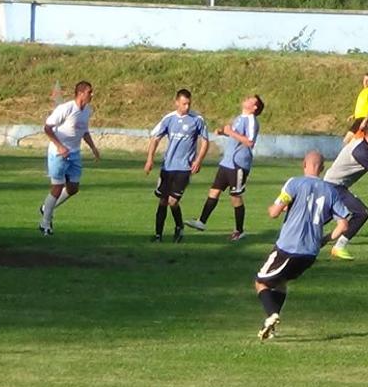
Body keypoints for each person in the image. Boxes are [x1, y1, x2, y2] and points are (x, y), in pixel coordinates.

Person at [255, 150, 350, 341]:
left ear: (304, 164)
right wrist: (324, 240)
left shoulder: (294, 183)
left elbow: (274, 212)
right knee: (281, 283)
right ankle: (271, 326)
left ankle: (272, 314)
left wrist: (273, 208)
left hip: (288, 247)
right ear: (322, 168)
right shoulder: (331, 191)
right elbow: (344, 224)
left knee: (260, 282)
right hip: (310, 252)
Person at [185, 95, 264, 241]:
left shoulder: (252, 121)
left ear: (254, 107)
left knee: (235, 197)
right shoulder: (239, 118)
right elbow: (236, 136)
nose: (247, 98)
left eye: (251, 99)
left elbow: (249, 142)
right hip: (227, 162)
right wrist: (223, 132)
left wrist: (230, 132)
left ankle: (239, 231)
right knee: (214, 191)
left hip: (238, 164)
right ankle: (201, 222)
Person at [323, 121, 368, 260]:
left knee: (322, 218)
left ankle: (315, 242)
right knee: (361, 212)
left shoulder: (363, 147)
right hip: (334, 186)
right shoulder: (361, 152)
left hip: (334, 185)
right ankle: (338, 247)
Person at [144, 88, 209, 243]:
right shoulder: (169, 119)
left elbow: (205, 141)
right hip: (167, 167)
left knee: (172, 201)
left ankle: (179, 227)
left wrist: (198, 160)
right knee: (162, 200)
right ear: (177, 103)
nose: (187, 107)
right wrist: (150, 159)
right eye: (184, 104)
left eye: (189, 104)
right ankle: (158, 235)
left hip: (184, 168)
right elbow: (155, 138)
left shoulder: (197, 119)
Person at [38, 81, 101, 236]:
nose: (92, 95)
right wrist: (60, 146)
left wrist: (93, 148)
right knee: (57, 187)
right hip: (58, 153)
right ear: (80, 93)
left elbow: (84, 131)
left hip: (74, 153)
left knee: (73, 188)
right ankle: (45, 223)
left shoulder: (87, 110)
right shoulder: (66, 108)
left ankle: (46, 208)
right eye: (89, 92)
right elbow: (47, 128)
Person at [343, 73, 368, 144]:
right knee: (354, 141)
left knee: (346, 140)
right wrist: (353, 115)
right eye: (364, 80)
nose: (366, 82)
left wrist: (365, 121)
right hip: (359, 119)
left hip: (363, 119)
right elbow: (362, 107)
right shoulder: (363, 92)